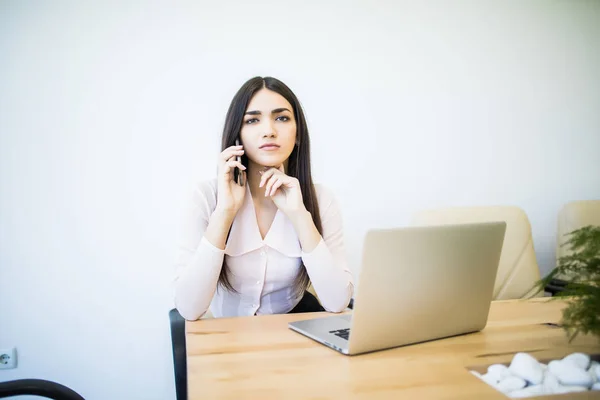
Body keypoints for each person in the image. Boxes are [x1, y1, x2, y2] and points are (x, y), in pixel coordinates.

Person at [173, 76, 354, 320]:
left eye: (281, 118)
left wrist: (299, 215)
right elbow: (189, 308)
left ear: (297, 133)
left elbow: (336, 302)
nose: (269, 131)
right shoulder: (206, 197)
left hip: (292, 340)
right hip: (228, 340)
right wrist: (225, 212)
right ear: (237, 133)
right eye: (252, 120)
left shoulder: (321, 199)